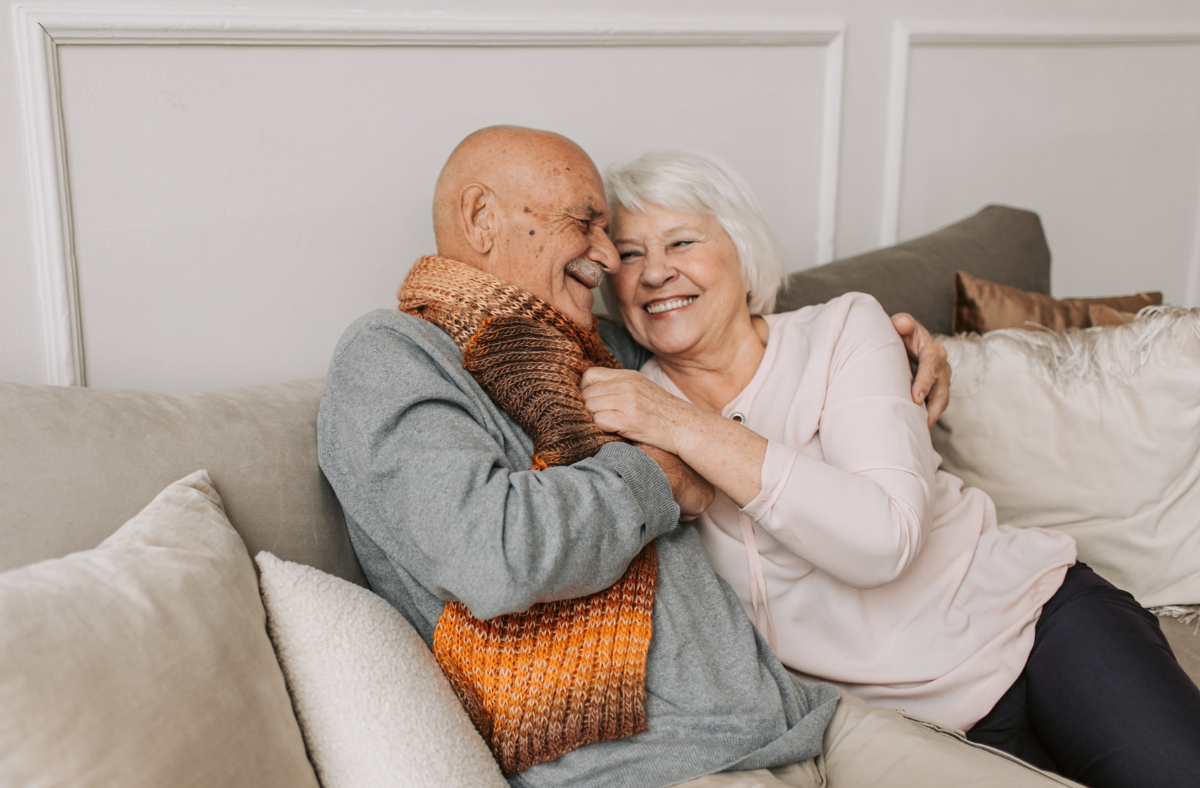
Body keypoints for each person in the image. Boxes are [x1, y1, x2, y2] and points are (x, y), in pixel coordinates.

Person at [318, 125, 1081, 788]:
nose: (606, 253)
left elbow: (726, 331)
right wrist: (657, 475)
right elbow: (493, 554)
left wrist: (907, 345)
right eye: (585, 224)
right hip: (659, 769)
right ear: (480, 216)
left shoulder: (604, 348)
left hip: (808, 720)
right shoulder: (393, 357)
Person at [581, 148, 1200, 788]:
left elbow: (883, 541)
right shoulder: (625, 403)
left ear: (742, 253)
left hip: (1034, 627)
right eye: (628, 254)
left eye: (681, 241)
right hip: (894, 731)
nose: (654, 272)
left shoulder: (844, 330)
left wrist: (687, 427)